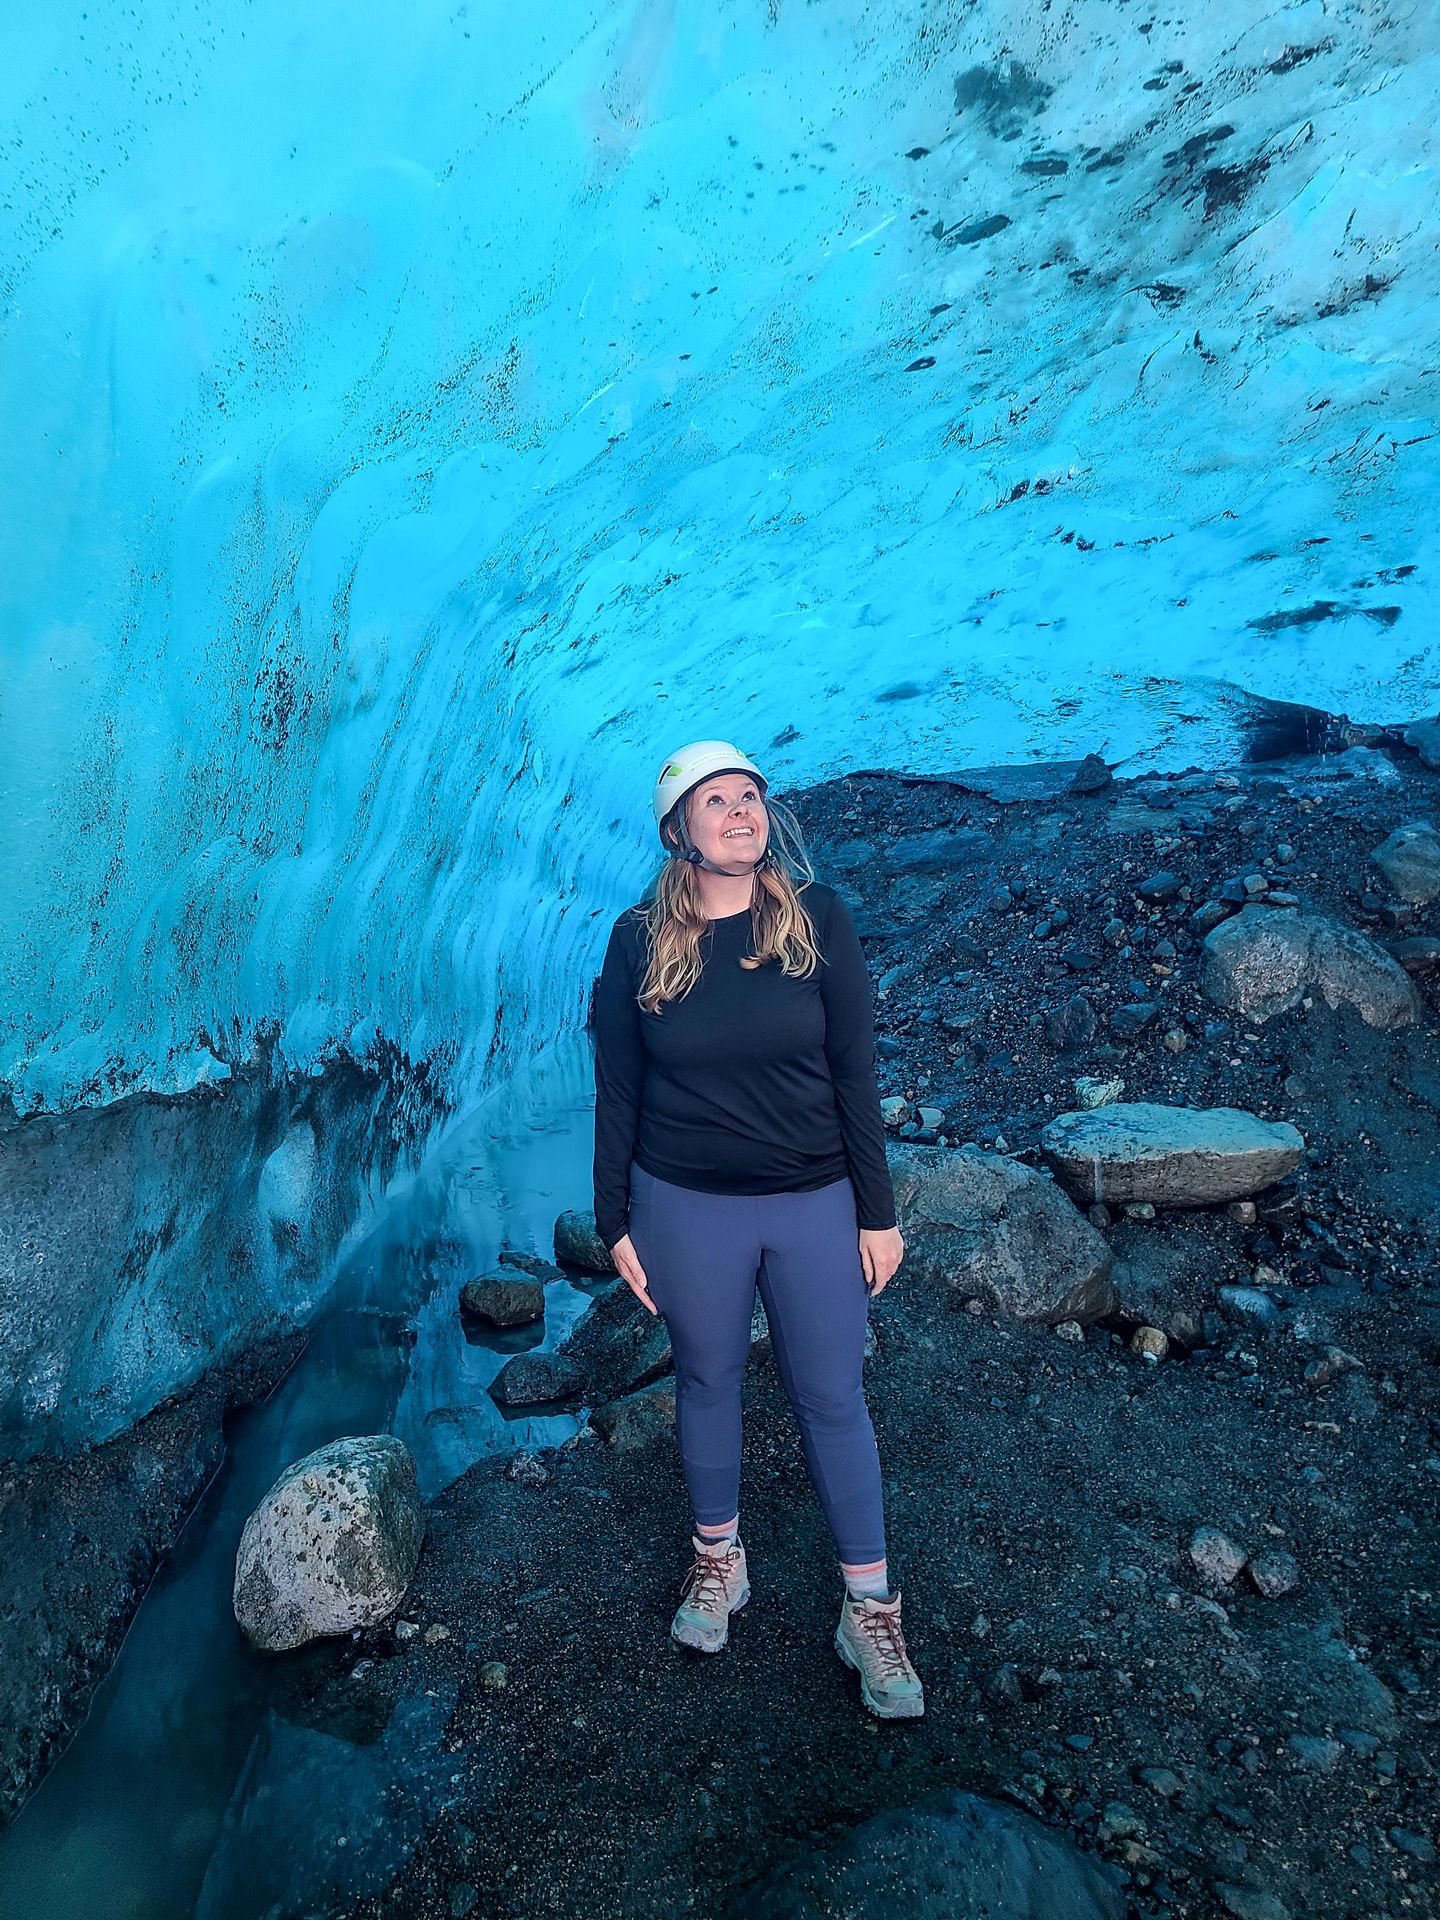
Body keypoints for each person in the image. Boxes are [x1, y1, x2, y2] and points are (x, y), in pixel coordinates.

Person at [589, 739, 924, 1719]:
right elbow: (619, 1088)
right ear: (677, 834)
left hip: (815, 1197)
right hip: (683, 1202)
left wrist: (877, 1209)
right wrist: (614, 1221)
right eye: (716, 802)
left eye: (751, 797)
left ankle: (868, 1610)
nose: (741, 813)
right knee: (707, 1378)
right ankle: (717, 1561)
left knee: (830, 1394)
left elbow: (856, 1071)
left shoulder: (817, 920)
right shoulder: (636, 940)